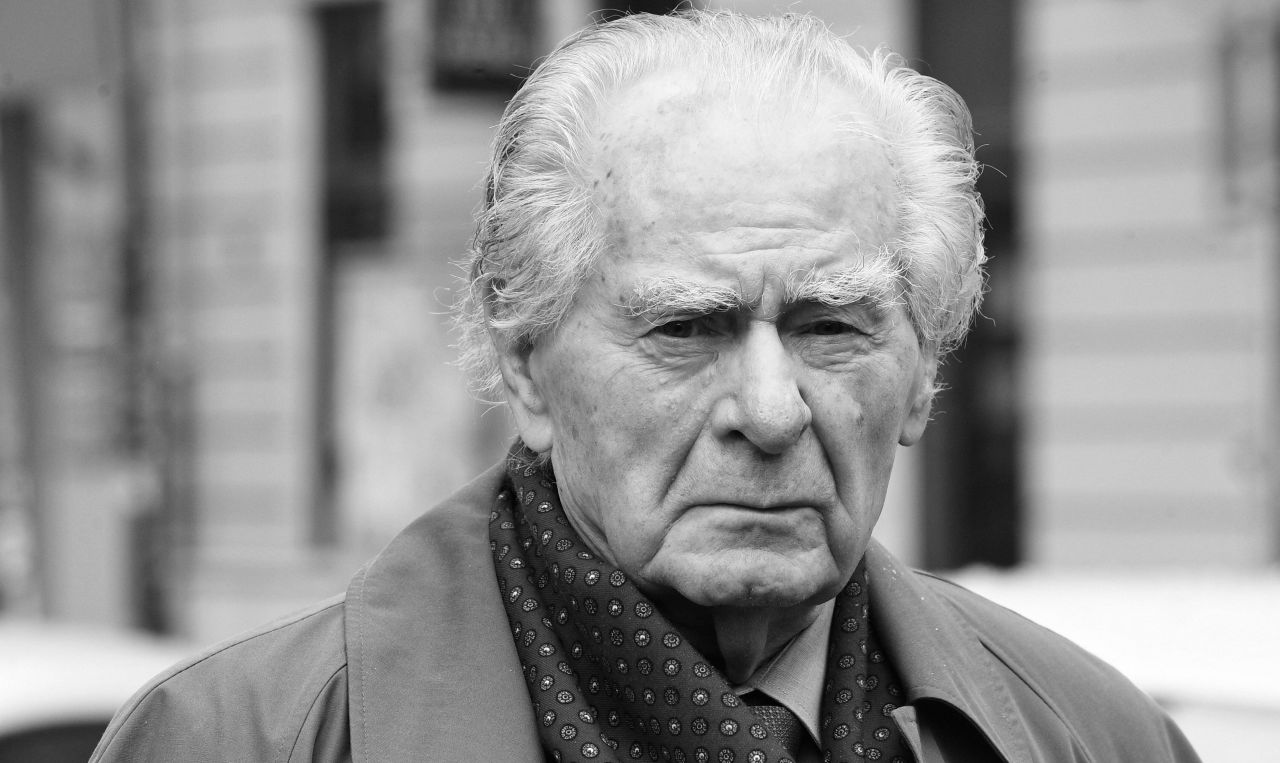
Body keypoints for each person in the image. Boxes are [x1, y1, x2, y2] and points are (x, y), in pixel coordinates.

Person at [93, 10, 1201, 763]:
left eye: (829, 327)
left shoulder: (1089, 735)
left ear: (922, 376)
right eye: (685, 328)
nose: (770, 410)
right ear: (524, 362)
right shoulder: (239, 738)